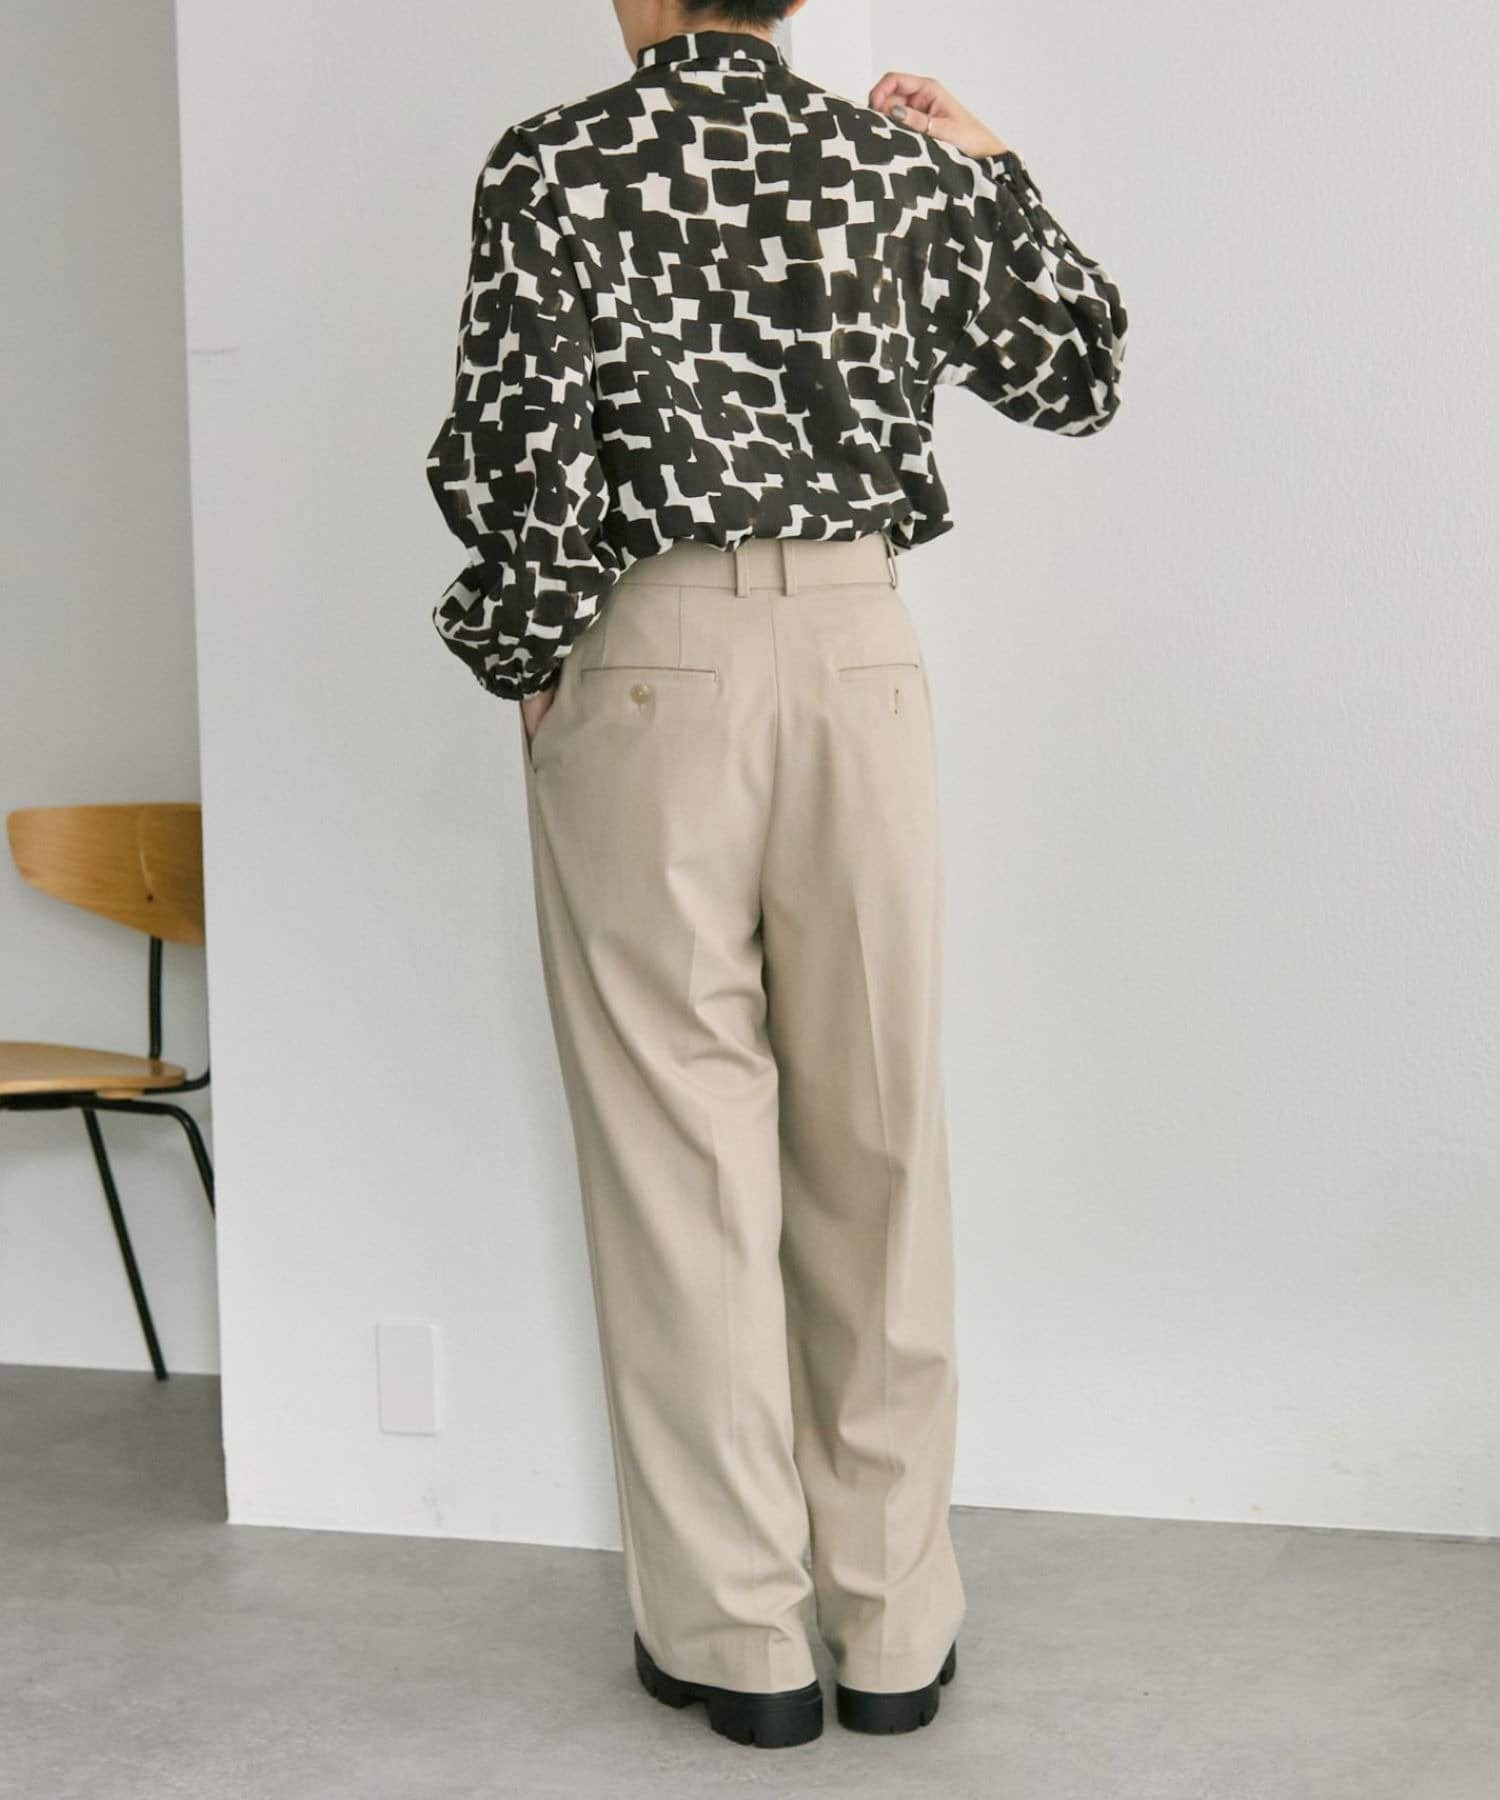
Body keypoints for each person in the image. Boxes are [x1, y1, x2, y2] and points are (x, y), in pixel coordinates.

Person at [424, 0, 1127, 1751]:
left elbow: (519, 460)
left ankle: (741, 1642)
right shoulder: (895, 164)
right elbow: (1079, 368)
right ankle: (893, 1626)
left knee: (683, 1159)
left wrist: (526, 659)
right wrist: (989, 165)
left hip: (650, 663)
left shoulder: (559, 163)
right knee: (879, 1140)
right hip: (863, 657)